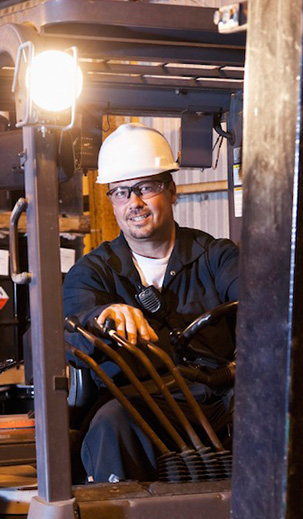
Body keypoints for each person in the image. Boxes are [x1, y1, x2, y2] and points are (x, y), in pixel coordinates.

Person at [63, 123, 239, 482]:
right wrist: (104, 316)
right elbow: (69, 326)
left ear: (172, 191)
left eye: (146, 187)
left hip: (220, 397)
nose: (135, 203)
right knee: (110, 423)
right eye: (122, 193)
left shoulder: (217, 257)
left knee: (273, 407)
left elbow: (266, 306)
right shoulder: (93, 272)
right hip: (143, 403)